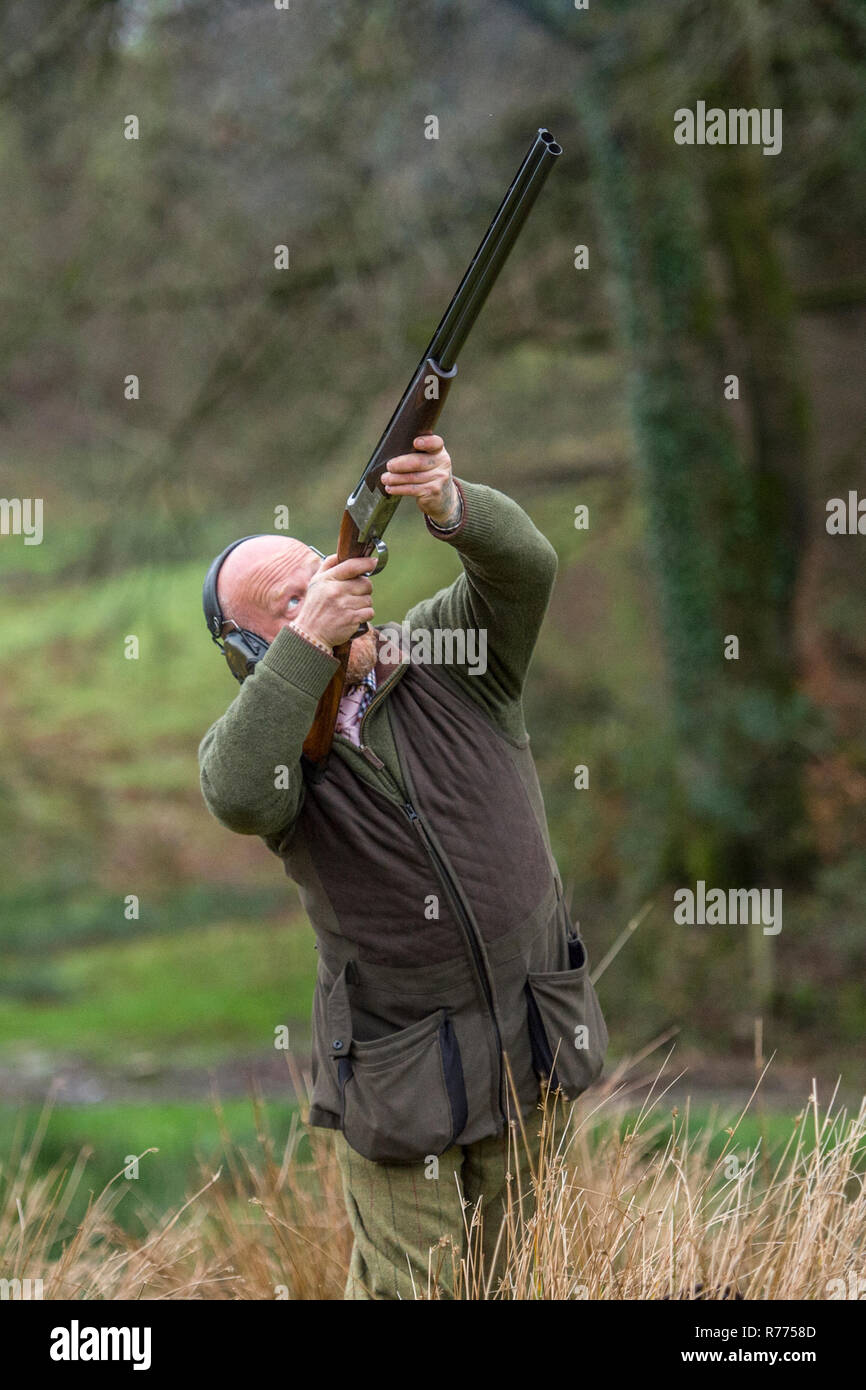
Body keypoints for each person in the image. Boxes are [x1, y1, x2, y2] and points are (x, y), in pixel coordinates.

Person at [198, 433, 608, 1299]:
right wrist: (310, 645)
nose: (326, 598)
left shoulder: (450, 659)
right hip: (402, 1072)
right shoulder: (276, 753)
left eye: (325, 571)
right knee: (409, 1291)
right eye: (292, 601)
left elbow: (526, 569)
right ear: (249, 653)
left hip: (532, 1033)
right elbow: (237, 794)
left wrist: (451, 507)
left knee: (527, 1281)